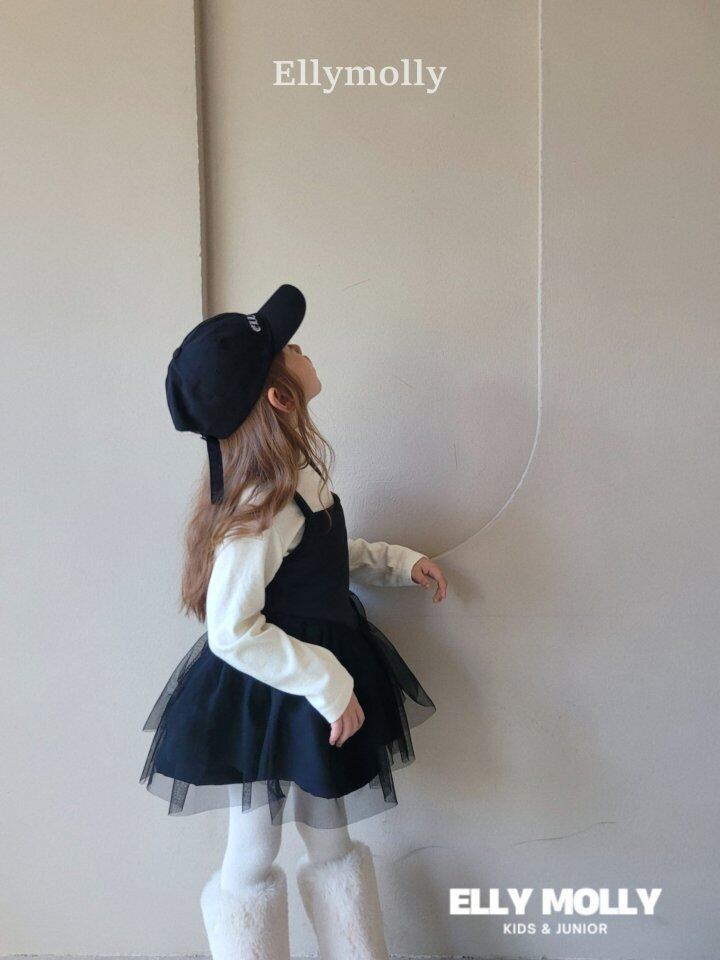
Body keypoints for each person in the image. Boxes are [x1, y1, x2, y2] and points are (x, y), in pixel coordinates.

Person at [139, 284, 447, 960]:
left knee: (330, 834)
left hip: (311, 690)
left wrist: (398, 563)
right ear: (280, 396)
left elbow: (323, 558)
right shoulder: (265, 504)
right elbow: (231, 629)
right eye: (292, 347)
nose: (304, 349)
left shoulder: (294, 483)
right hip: (273, 693)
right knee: (254, 846)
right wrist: (326, 680)